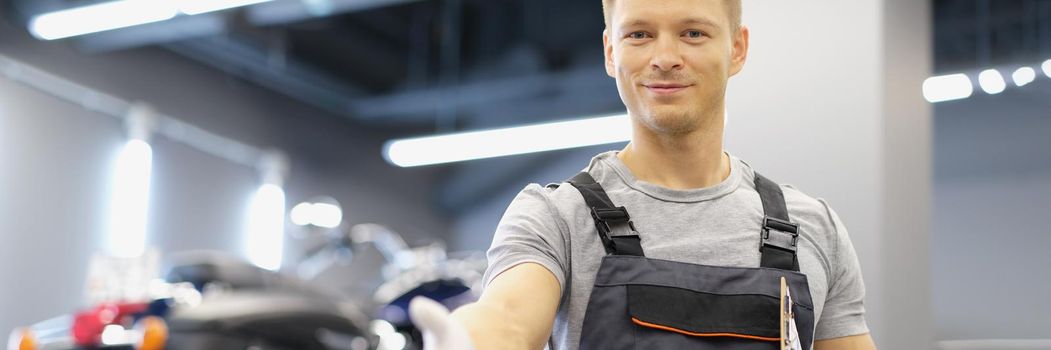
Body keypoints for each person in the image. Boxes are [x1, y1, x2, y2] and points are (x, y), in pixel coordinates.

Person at [409, 0, 877, 349]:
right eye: (639, 35)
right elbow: (508, 318)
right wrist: (467, 342)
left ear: (737, 49)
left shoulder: (812, 228)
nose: (665, 57)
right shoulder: (556, 217)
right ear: (611, 51)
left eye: (693, 33)